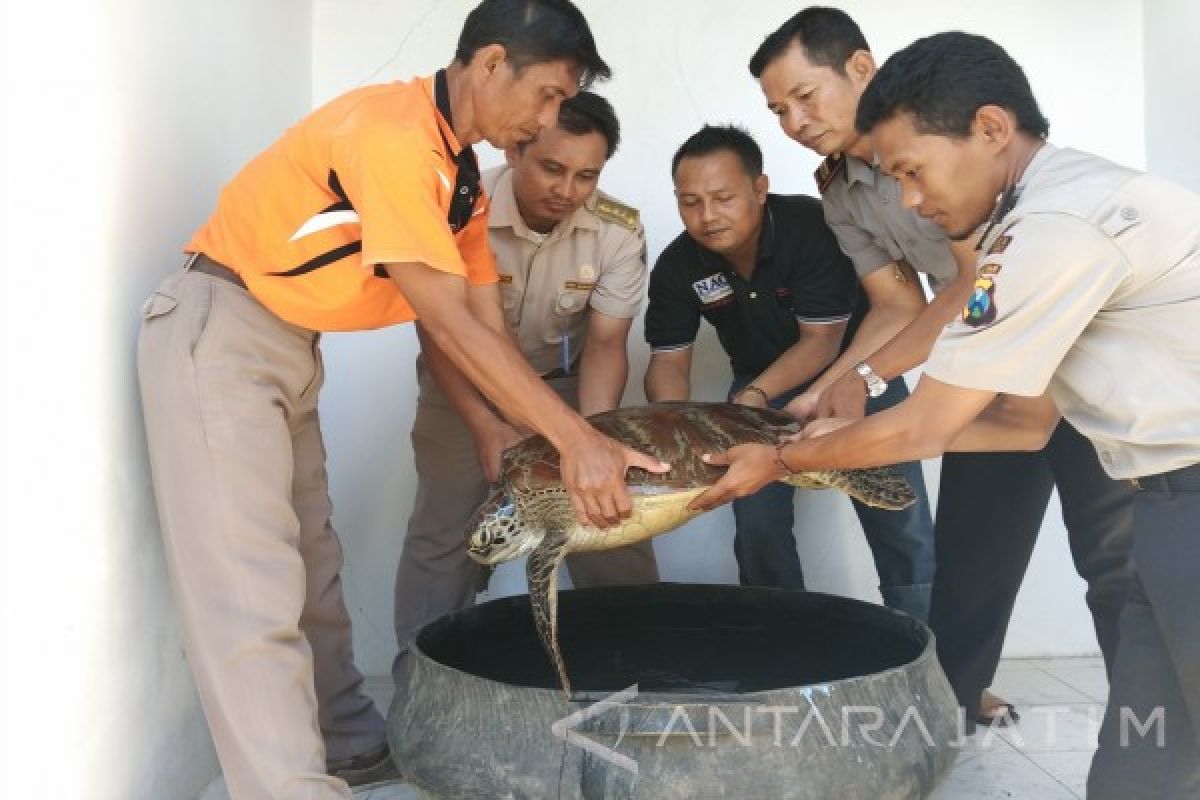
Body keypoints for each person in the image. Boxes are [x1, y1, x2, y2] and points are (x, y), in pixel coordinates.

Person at [136, 2, 669, 798]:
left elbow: (483, 319)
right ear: (492, 64)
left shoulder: (457, 177)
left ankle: (350, 744)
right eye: (550, 94)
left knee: (312, 566)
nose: (551, 118)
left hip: (288, 345)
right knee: (250, 594)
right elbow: (448, 321)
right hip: (224, 331)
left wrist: (561, 436)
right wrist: (574, 440)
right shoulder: (392, 133)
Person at [697, 31, 1200, 799]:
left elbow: (930, 423)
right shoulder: (1038, 207)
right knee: (1143, 762)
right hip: (1163, 500)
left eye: (912, 171)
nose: (909, 200)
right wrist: (853, 410)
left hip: (1184, 497)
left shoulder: (1050, 231)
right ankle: (948, 710)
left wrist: (790, 455)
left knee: (1144, 701)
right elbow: (1022, 426)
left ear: (991, 130)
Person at [748, 6, 1134, 728]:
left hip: (1072, 369)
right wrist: (843, 385)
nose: (795, 120)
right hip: (985, 366)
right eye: (778, 109)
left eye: (805, 96)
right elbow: (895, 305)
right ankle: (949, 716)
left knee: (1117, 571)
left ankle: (1156, 728)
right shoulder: (840, 188)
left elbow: (971, 282)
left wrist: (854, 399)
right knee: (968, 570)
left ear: (861, 68)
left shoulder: (961, 146)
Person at [392, 91, 659, 696]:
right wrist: (487, 426)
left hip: (565, 389)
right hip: (461, 380)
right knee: (446, 534)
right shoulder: (461, 208)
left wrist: (594, 444)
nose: (568, 189)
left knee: (609, 522)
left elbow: (606, 345)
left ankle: (641, 677)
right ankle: (421, 695)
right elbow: (441, 330)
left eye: (586, 175)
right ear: (515, 150)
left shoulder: (617, 231)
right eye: (552, 168)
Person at [643, 124, 935, 619]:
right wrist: (678, 427)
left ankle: (926, 649)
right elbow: (668, 363)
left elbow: (820, 341)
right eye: (690, 201)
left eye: (722, 197)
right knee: (757, 522)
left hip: (859, 374)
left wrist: (754, 397)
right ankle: (781, 642)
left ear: (760, 188)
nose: (707, 216)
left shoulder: (811, 226)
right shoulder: (677, 264)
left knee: (897, 518)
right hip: (755, 392)